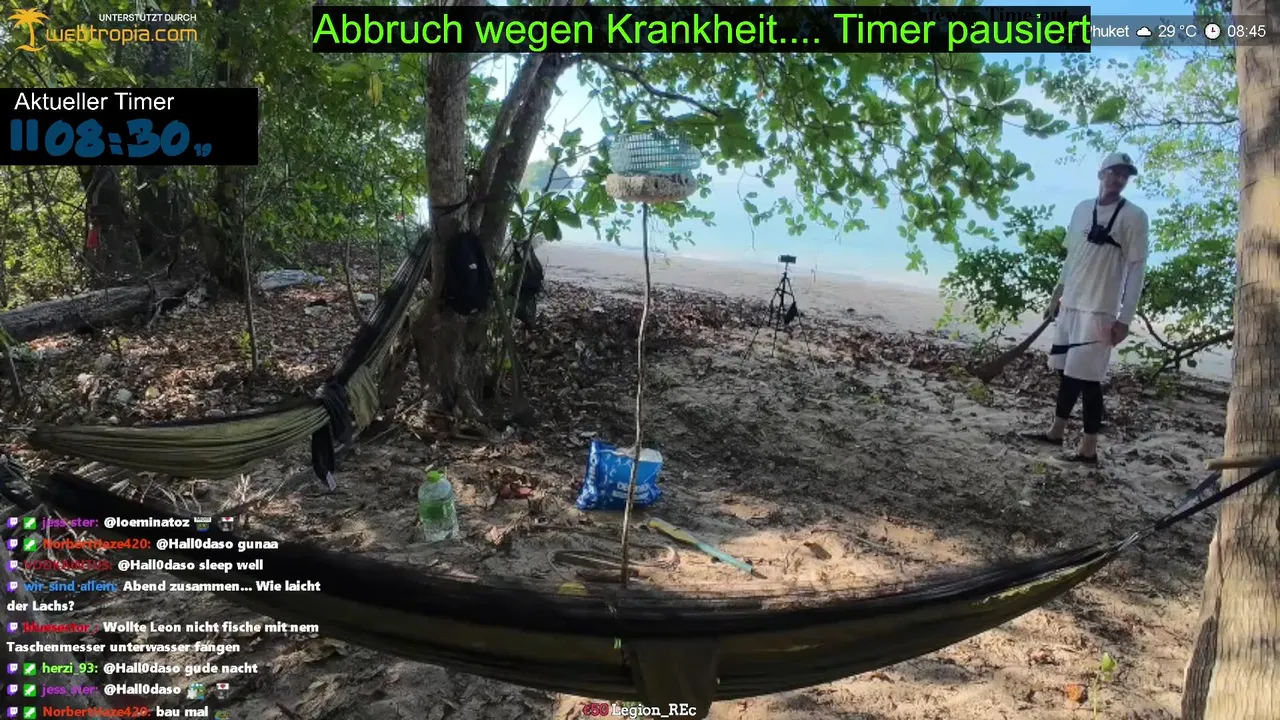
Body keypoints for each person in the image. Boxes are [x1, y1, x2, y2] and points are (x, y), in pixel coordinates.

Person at [1021, 152, 1150, 464]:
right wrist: (1057, 294)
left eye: (1125, 175)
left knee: (1089, 379)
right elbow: (1072, 257)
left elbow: (1137, 269)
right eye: (1114, 172)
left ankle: (1088, 449)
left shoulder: (1134, 216)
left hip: (1100, 309)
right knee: (1066, 371)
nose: (1119, 179)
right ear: (1101, 174)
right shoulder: (1081, 209)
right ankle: (1056, 432)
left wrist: (1125, 319)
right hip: (1072, 305)